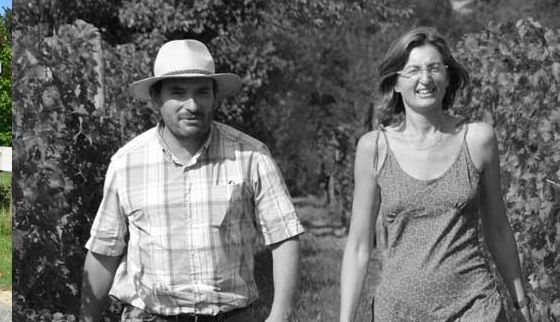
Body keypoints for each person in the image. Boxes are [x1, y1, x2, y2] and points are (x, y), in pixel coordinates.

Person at [79, 39, 305, 322]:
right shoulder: (126, 164)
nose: (192, 104)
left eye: (202, 92)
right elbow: (104, 251)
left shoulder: (251, 156)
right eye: (178, 92)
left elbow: (284, 236)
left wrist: (280, 315)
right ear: (156, 99)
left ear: (215, 97)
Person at [338, 27, 532, 322]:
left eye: (434, 68)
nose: (425, 79)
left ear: (448, 75)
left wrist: (519, 300)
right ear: (396, 83)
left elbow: (498, 228)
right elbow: (359, 246)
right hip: (398, 311)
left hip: (475, 306)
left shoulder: (477, 140)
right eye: (413, 70)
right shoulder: (374, 148)